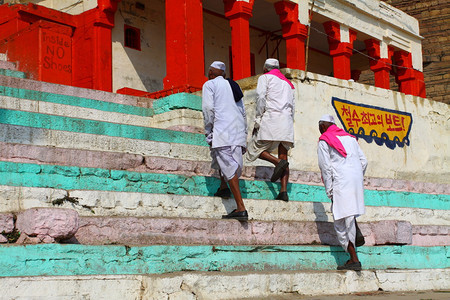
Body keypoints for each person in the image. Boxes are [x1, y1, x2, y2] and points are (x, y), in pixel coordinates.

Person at [317, 114, 368, 271]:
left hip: (340, 182)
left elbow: (325, 168)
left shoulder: (324, 140)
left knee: (341, 221)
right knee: (349, 217)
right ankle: (353, 256)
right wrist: (357, 177)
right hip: (355, 180)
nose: (319, 130)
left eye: (319, 126)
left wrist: (330, 190)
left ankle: (354, 259)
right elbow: (364, 161)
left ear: (324, 126)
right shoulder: (351, 138)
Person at [202, 61, 248, 221]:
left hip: (223, 131)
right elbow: (243, 111)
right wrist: (245, 134)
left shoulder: (209, 85)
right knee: (225, 161)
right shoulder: (234, 86)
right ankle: (223, 187)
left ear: (210, 73)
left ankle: (240, 207)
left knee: (228, 165)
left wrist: (208, 130)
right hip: (238, 132)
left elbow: (208, 109)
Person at [247, 58, 295, 201]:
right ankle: (283, 191)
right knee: (284, 154)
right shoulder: (289, 84)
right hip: (286, 121)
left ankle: (276, 162)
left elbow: (261, 98)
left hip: (271, 118)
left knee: (254, 149)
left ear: (265, 68)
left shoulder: (265, 78)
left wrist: (257, 119)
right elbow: (293, 106)